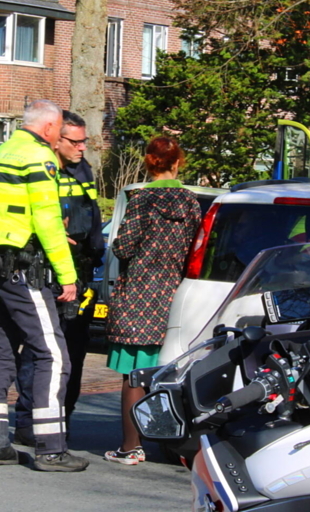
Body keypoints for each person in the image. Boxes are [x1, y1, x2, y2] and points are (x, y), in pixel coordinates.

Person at [0, 99, 89, 473]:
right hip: (23, 268)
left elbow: (1, 213)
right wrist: (67, 275)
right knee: (53, 354)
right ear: (50, 127)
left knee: (0, 352)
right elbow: (47, 220)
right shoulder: (38, 158)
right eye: (59, 129)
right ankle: (51, 449)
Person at [103, 136, 201, 465]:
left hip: (139, 294)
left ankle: (130, 448)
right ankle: (171, 443)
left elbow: (123, 248)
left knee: (134, 373)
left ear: (148, 162)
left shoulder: (142, 200)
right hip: (175, 294)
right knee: (168, 371)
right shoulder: (191, 202)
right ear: (178, 162)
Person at [14, 110, 104, 446]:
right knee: (40, 349)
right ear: (56, 139)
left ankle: (61, 419)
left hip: (80, 273)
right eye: (75, 142)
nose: (82, 148)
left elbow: (92, 218)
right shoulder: (39, 168)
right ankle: (29, 421)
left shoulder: (83, 170)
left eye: (84, 141)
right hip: (44, 271)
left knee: (74, 351)